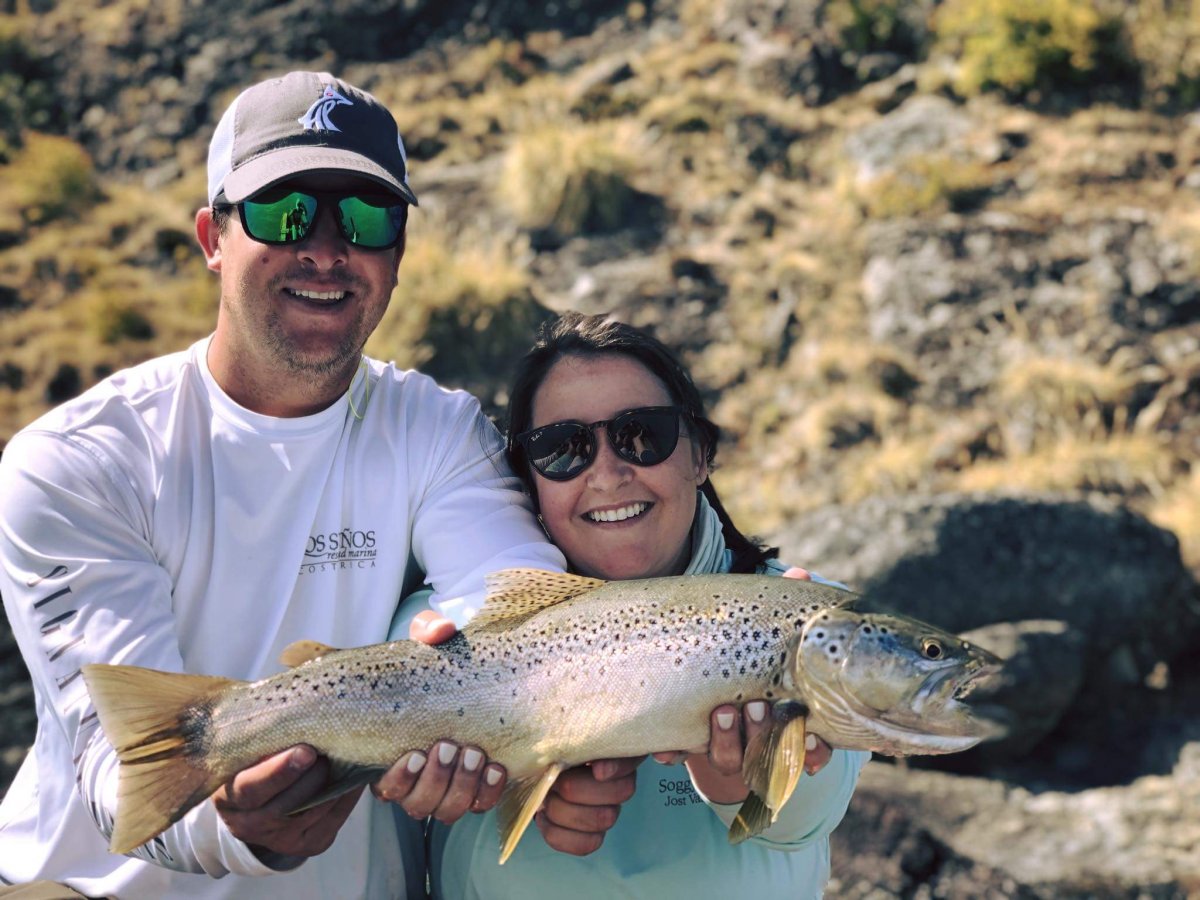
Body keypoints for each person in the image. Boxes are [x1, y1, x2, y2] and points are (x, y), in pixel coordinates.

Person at [0, 71, 565, 899]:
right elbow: (122, 768)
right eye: (285, 210)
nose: (329, 248)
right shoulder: (79, 463)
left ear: (399, 254)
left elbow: (526, 612)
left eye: (369, 218)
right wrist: (230, 826)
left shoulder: (437, 429)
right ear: (212, 237)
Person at [403, 313, 870, 899]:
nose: (607, 473)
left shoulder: (809, 619)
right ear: (530, 482)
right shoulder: (455, 620)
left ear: (701, 454)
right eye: (563, 449)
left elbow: (806, 821)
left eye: (643, 435)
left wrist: (738, 782)